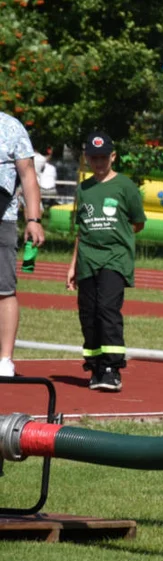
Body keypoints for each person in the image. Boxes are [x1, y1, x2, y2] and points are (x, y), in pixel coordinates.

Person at [64, 133, 146, 391]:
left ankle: (112, 368)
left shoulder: (125, 186)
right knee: (88, 313)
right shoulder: (84, 188)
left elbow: (137, 222)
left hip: (115, 258)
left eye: (103, 157)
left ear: (113, 156)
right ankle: (95, 365)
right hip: (87, 259)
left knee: (107, 310)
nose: (98, 163)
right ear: (87, 159)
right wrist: (73, 265)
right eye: (93, 158)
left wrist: (118, 240)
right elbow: (82, 229)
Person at [0, 111, 45, 378]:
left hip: (2, 219)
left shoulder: (11, 126)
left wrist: (34, 219)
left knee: (4, 290)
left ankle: (5, 360)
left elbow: (28, 174)